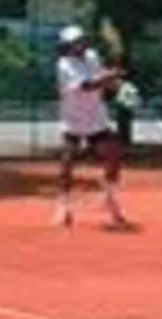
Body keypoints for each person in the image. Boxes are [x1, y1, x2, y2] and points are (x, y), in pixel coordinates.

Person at [55, 24, 128, 229]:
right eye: (76, 41)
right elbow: (87, 86)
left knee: (114, 154)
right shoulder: (64, 65)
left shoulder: (92, 56)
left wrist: (116, 82)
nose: (81, 43)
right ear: (67, 45)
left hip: (97, 118)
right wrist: (110, 77)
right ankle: (64, 206)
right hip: (73, 120)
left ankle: (110, 198)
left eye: (82, 40)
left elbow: (101, 77)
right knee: (67, 163)